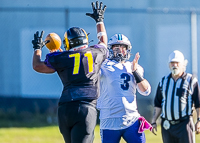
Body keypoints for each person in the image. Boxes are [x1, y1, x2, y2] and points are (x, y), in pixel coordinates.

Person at [31, 1, 107, 143]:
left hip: (65, 110)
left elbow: (37, 66)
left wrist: (37, 48)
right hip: (86, 108)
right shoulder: (96, 52)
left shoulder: (60, 58)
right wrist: (99, 21)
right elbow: (103, 41)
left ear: (67, 43)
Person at [97, 33, 152, 143]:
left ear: (127, 50)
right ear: (110, 49)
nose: (120, 51)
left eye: (123, 48)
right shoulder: (103, 66)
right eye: (116, 47)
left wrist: (135, 71)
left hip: (131, 119)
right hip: (109, 120)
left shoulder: (134, 66)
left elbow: (146, 91)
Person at [151, 50, 200, 143]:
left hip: (184, 124)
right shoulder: (163, 81)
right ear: (169, 64)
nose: (175, 65)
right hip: (167, 125)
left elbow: (198, 103)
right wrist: (153, 121)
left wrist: (199, 120)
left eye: (177, 63)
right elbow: (158, 104)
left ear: (183, 64)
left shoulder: (191, 80)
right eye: (172, 63)